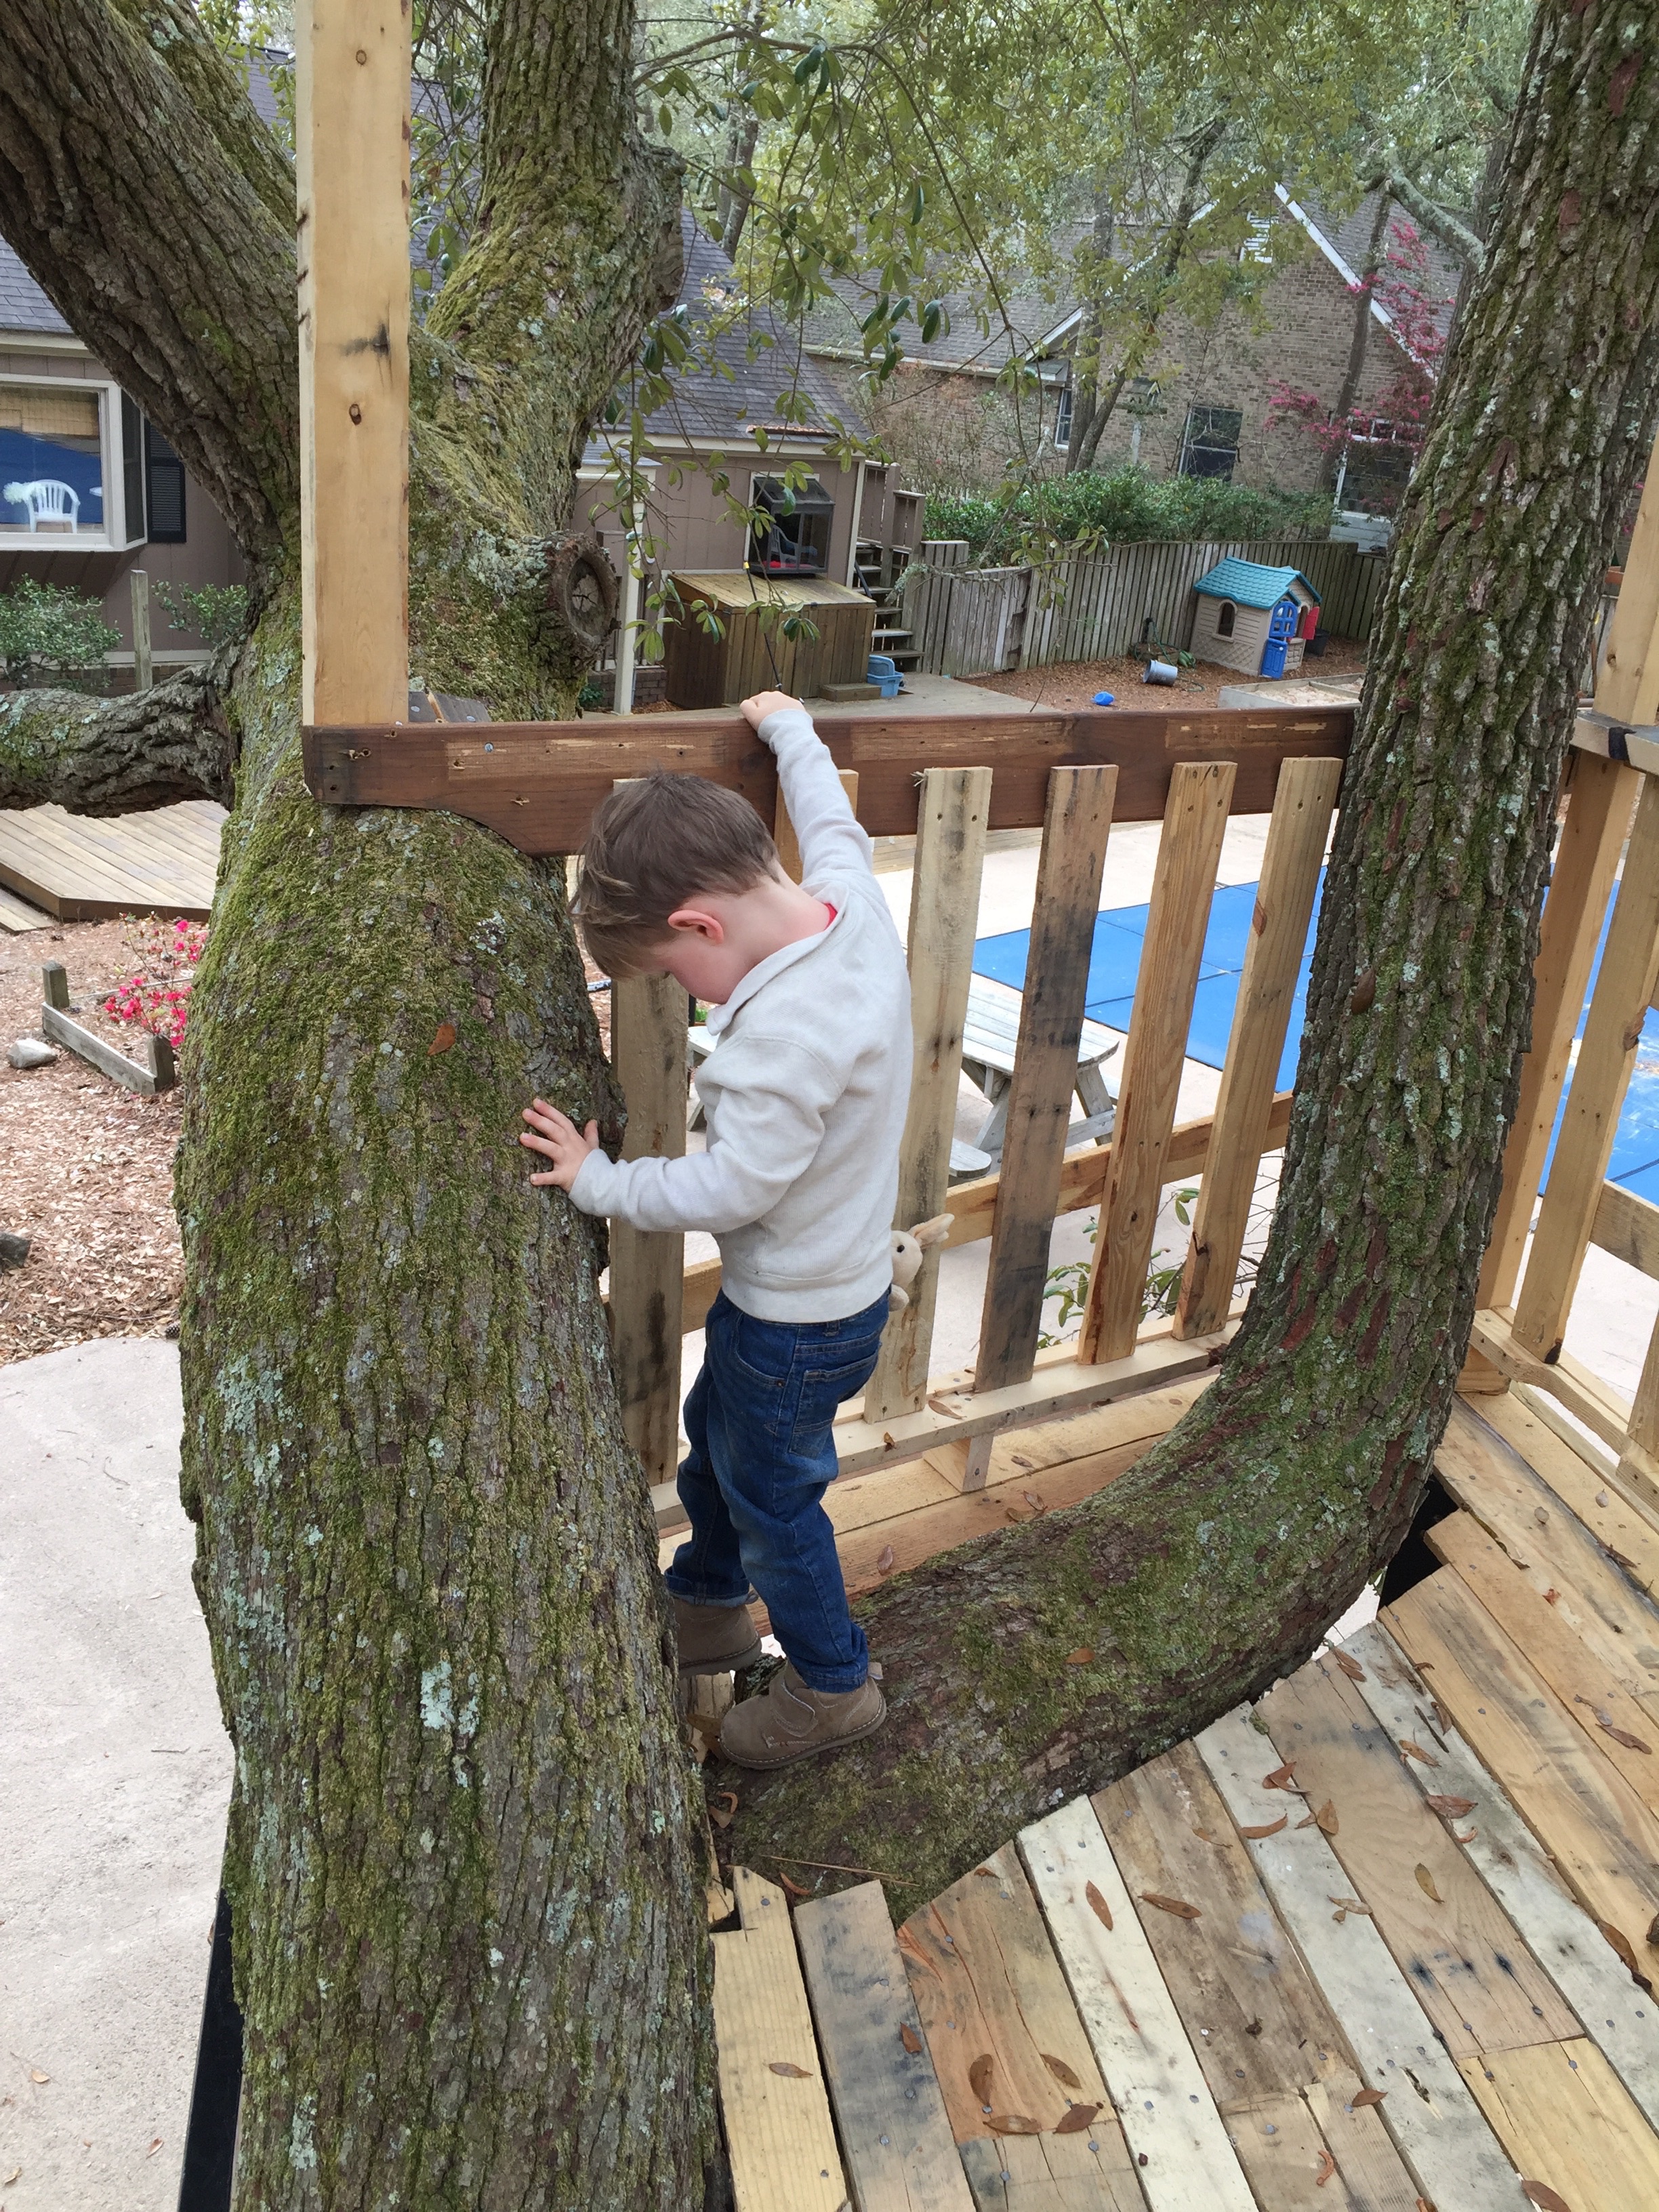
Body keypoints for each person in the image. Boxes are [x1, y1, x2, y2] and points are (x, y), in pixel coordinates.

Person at [520, 690, 911, 1767]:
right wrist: (791, 732)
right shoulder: (849, 905)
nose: (679, 993)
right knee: (719, 1447)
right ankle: (706, 1603)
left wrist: (600, 1181)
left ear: (700, 925)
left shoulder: (781, 1043)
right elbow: (833, 822)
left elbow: (731, 1190)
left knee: (775, 1503)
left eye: (668, 972)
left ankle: (833, 1685)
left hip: (796, 1323)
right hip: (815, 1302)